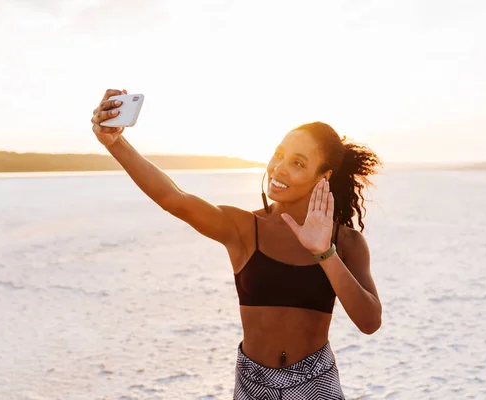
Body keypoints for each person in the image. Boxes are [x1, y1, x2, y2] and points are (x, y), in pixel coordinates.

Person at [91, 89, 382, 399]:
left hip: (316, 384)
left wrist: (324, 252)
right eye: (279, 154)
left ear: (322, 176)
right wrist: (116, 143)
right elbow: (173, 198)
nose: (279, 168)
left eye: (298, 163)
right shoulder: (243, 228)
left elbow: (369, 322)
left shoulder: (346, 242)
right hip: (252, 385)